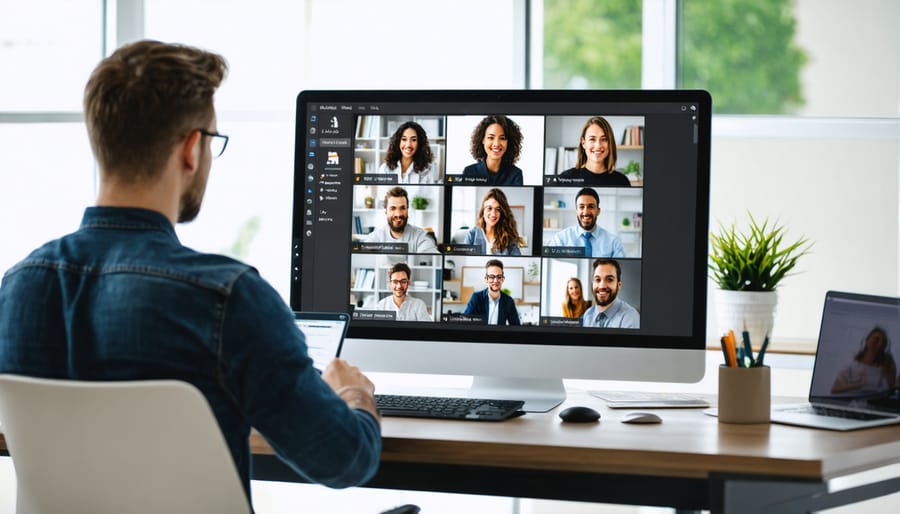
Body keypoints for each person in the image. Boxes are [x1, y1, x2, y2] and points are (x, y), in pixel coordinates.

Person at [0, 40, 380, 503]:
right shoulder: (228, 298)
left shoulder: (16, 290)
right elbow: (343, 460)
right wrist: (354, 396)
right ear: (191, 148)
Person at [548, 187, 625, 257]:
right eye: (581, 207)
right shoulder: (560, 239)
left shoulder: (614, 242)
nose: (586, 212)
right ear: (576, 211)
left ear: (598, 211)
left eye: (591, 207)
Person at [559, 116, 631, 187]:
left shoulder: (622, 181)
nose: (598, 145)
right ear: (583, 143)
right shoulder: (565, 178)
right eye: (592, 139)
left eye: (604, 139)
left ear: (610, 143)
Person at [366, 186, 439, 253]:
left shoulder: (421, 237)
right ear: (386, 211)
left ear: (407, 210)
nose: (398, 214)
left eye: (402, 208)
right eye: (393, 208)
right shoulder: (375, 237)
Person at [831, 327, 897, 394]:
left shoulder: (883, 368)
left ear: (882, 346)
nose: (876, 342)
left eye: (880, 341)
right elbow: (834, 389)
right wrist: (857, 386)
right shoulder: (852, 364)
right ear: (868, 339)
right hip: (850, 402)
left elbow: (890, 390)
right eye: (875, 338)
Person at [462, 115, 524, 185]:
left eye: (502, 138)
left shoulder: (515, 174)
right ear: (483, 140)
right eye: (491, 138)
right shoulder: (469, 172)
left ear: (508, 142)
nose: (496, 144)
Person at [581, 259, 639, 328]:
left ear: (619, 285)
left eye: (609, 279)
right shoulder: (587, 315)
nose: (602, 286)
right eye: (598, 280)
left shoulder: (630, 317)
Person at [463, 188, 523, 256]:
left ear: (502, 213)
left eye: (498, 209)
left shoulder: (509, 239)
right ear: (483, 210)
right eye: (489, 208)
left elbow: (518, 261)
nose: (493, 214)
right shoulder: (472, 235)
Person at [463, 259, 521, 325]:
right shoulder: (476, 298)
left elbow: (516, 326)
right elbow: (465, 322)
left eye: (499, 277)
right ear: (486, 279)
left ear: (503, 279)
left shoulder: (508, 301)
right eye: (492, 277)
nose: (495, 280)